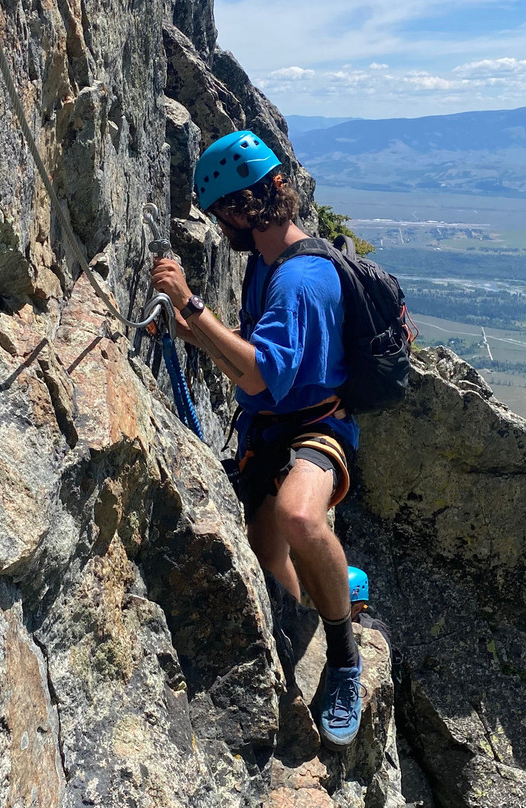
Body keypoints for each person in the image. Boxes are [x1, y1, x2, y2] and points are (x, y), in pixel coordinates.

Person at [150, 130, 363, 750]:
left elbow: (259, 372)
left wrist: (190, 305)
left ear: (242, 208)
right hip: (275, 425)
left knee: (299, 516)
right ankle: (322, 600)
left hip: (319, 427)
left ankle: (344, 656)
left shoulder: (298, 281)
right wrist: (190, 329)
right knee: (268, 557)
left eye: (223, 216)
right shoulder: (264, 265)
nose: (222, 230)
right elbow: (246, 361)